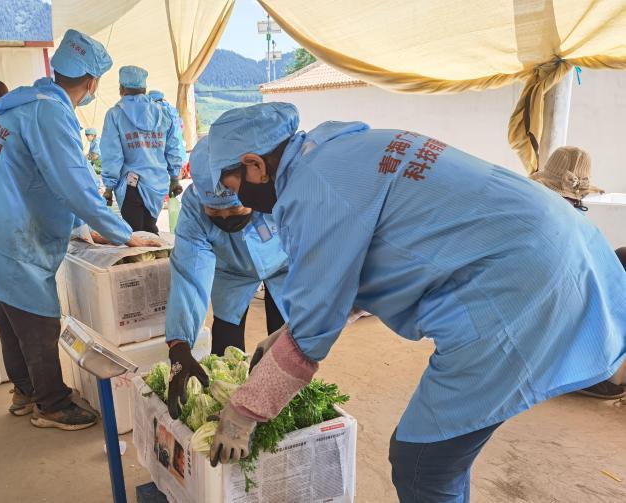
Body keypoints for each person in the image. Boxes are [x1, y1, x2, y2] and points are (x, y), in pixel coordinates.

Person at [188, 103, 624, 501]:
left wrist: (245, 411)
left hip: (515, 285)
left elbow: (312, 334)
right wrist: (288, 330)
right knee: (440, 459)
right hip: (560, 243)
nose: (237, 198)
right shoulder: (341, 148)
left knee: (423, 464)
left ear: (253, 165)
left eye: (231, 186)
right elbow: (364, 265)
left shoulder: (311, 190)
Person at [0, 29, 155, 431]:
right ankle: (52, 404)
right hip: (12, 234)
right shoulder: (51, 113)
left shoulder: (19, 105)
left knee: (9, 317)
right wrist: (123, 233)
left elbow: (43, 178)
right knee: (39, 319)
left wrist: (80, 229)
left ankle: (24, 392)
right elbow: (74, 182)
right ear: (92, 82)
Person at [163, 138, 289, 417]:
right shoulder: (194, 209)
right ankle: (230, 401)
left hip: (284, 266)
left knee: (285, 338)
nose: (225, 217)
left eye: (234, 208)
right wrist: (179, 343)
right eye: (214, 212)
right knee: (227, 340)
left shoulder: (276, 190)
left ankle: (280, 405)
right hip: (232, 270)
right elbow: (189, 272)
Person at [530, 146, 624, 399]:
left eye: (575, 202)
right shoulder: (544, 218)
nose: (572, 205)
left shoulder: (554, 216)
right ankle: (589, 370)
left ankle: (602, 368)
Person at [101, 68, 184, 233]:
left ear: (121, 89)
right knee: (149, 230)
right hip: (157, 184)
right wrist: (174, 177)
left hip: (132, 186)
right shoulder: (163, 113)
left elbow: (112, 155)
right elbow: (173, 148)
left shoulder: (115, 115)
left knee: (136, 237)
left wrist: (109, 187)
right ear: (145, 89)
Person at [148, 90, 187, 170]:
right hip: (181, 155)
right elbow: (182, 127)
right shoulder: (172, 110)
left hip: (166, 159)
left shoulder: (154, 111)